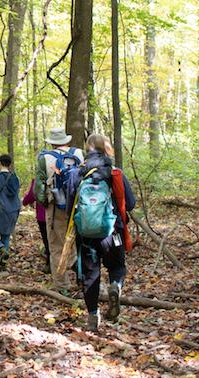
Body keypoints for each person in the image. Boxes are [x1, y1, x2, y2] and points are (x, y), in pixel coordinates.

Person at [73, 133, 136, 331]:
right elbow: (130, 204)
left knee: (90, 274)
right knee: (117, 266)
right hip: (112, 232)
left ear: (88, 148)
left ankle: (93, 316)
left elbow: (68, 205)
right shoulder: (115, 173)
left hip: (85, 234)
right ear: (106, 148)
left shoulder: (78, 173)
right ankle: (115, 285)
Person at [34, 127, 84, 292]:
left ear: (51, 143)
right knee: (79, 243)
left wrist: (45, 203)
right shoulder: (79, 154)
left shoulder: (44, 158)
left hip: (57, 206)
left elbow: (38, 188)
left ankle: (62, 285)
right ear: (66, 140)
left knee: (56, 245)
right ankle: (84, 277)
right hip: (80, 206)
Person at [0, 154, 21, 272]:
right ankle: (3, 266)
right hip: (13, 210)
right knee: (6, 235)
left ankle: (1, 248)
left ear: (0, 163)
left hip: (0, 210)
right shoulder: (15, 178)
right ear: (10, 164)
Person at [22, 179, 50, 273]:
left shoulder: (38, 180)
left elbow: (31, 195)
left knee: (47, 240)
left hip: (43, 216)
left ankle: (50, 264)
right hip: (58, 215)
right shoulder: (59, 176)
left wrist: (24, 202)